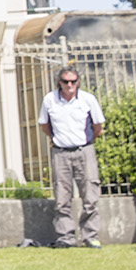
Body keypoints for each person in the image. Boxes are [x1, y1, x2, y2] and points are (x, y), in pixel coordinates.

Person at [38, 66, 106, 249]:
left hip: (84, 150)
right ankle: (65, 237)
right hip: (60, 151)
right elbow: (44, 126)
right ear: (59, 83)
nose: (69, 85)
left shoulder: (87, 99)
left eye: (73, 81)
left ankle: (90, 236)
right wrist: (56, 140)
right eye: (65, 82)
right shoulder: (50, 100)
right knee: (61, 196)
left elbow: (98, 126)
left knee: (90, 194)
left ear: (78, 82)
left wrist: (86, 142)